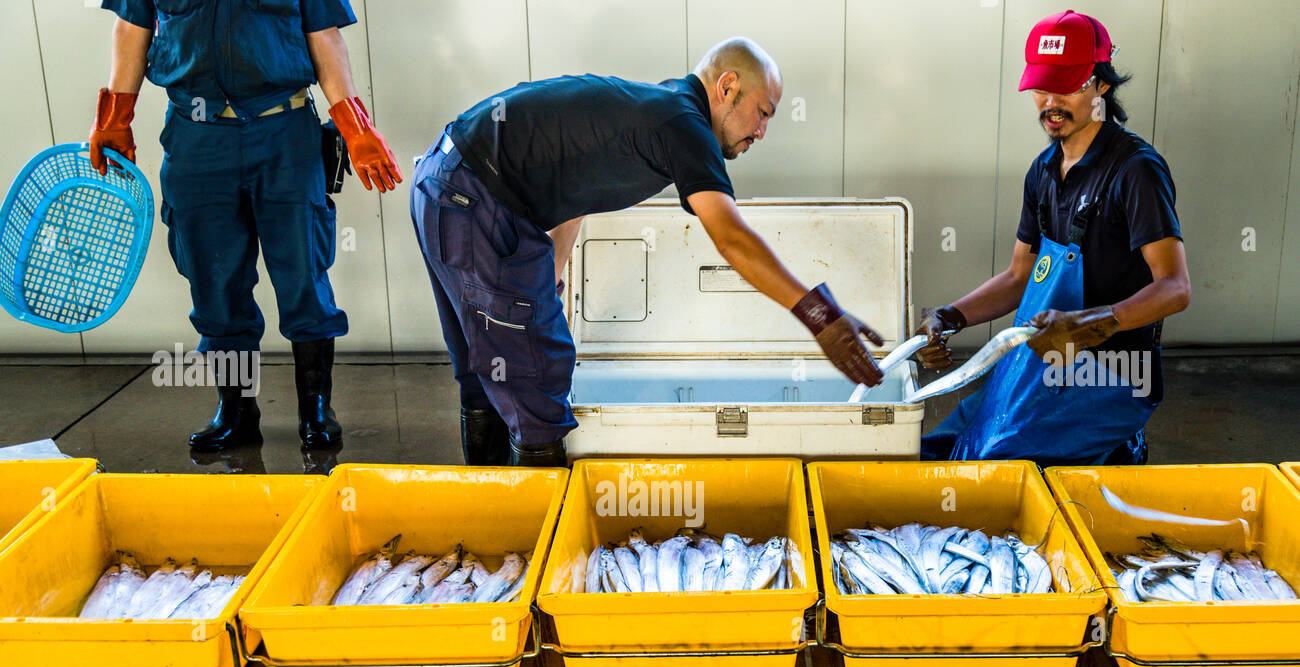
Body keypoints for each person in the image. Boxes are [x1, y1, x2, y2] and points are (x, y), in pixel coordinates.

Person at [411, 37, 887, 467]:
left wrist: (547, 287)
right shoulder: (684, 123)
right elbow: (731, 237)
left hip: (448, 184)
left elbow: (573, 197)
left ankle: (492, 517)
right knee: (538, 378)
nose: (762, 131)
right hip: (473, 196)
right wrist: (819, 317)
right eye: (763, 112)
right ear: (727, 86)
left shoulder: (653, 109)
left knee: (486, 372)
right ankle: (541, 537)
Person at [90, 1, 402, 454]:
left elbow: (325, 37)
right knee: (214, 282)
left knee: (303, 276)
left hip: (284, 133)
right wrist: (114, 118)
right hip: (196, 138)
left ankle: (315, 410)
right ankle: (236, 411)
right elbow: (131, 29)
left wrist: (354, 127)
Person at [916, 9, 1190, 466]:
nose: (1050, 103)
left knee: (998, 467)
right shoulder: (1042, 171)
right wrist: (950, 316)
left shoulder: (1135, 170)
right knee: (941, 450)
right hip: (1042, 360)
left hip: (1112, 372)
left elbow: (1175, 288)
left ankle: (1123, 447)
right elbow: (1019, 276)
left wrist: (1094, 324)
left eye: (1066, 87)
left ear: (1101, 85)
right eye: (1041, 88)